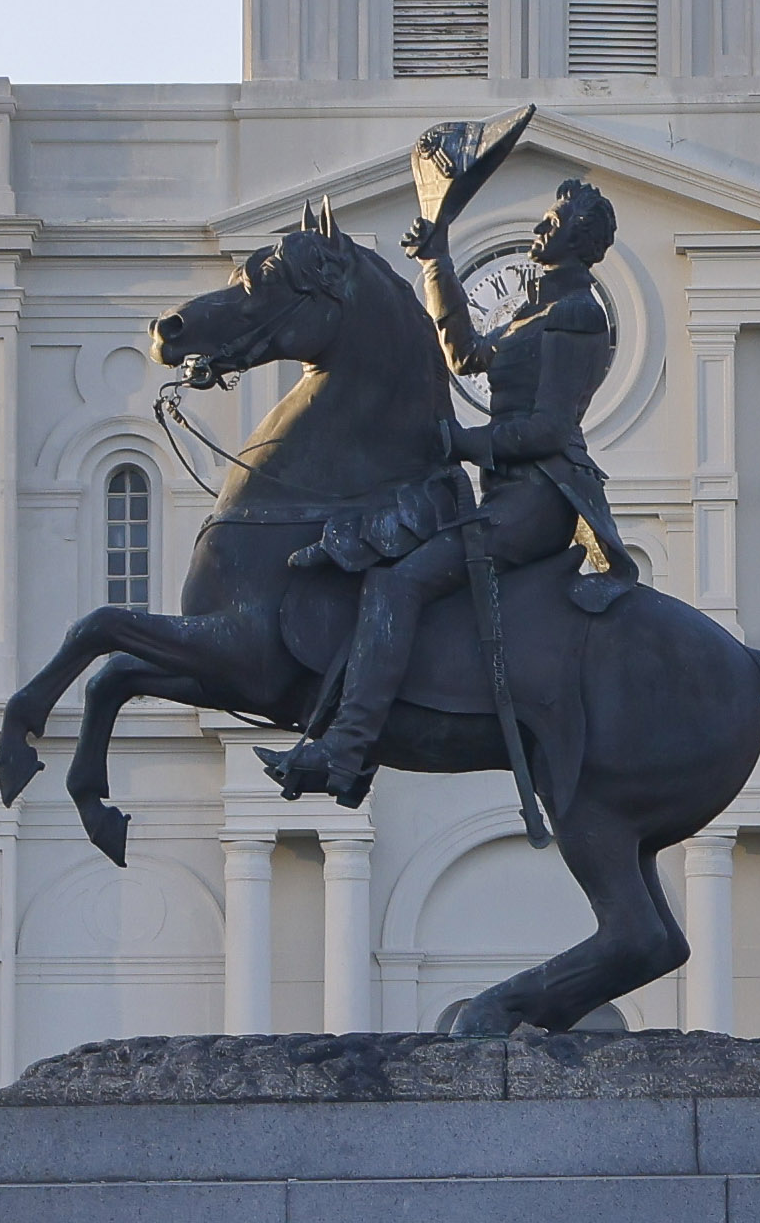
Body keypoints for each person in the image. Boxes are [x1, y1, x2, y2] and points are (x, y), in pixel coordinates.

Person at [267, 146, 637, 809]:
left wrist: (462, 440)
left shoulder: (579, 315)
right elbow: (466, 354)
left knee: (400, 581)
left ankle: (348, 753)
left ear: (581, 239)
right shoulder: (536, 311)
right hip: (502, 495)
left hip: (540, 499)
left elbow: (550, 430)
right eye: (545, 222)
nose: (539, 231)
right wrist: (435, 261)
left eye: (552, 224)